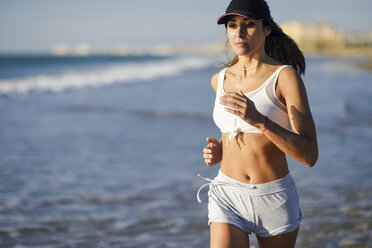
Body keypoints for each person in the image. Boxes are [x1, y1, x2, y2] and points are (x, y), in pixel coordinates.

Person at [199, 0, 318, 247]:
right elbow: (232, 130)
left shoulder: (284, 77)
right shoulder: (218, 80)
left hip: (274, 197)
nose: (239, 33)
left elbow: (309, 154)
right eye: (232, 25)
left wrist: (262, 122)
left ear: (266, 29)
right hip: (227, 193)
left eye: (249, 24)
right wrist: (220, 149)